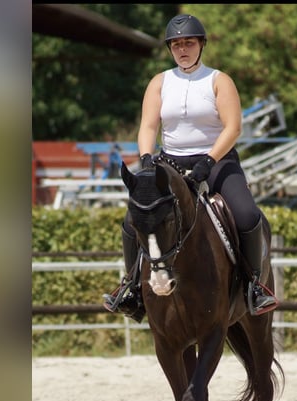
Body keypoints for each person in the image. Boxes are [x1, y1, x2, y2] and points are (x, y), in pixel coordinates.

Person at [103, 14, 278, 321]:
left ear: (201, 45)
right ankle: (130, 287)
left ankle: (254, 286)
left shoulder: (218, 81)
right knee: (133, 221)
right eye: (176, 44)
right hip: (167, 163)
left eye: (189, 43)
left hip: (217, 161)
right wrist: (146, 161)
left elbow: (233, 127)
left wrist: (208, 161)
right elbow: (147, 127)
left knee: (248, 215)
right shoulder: (159, 82)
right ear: (170, 48)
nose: (182, 49)